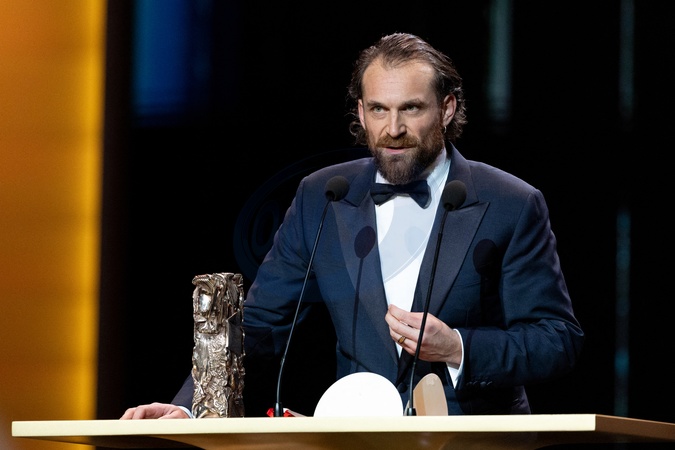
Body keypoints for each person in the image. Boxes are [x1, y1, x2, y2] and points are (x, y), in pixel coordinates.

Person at [121, 32, 584, 419]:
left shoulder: (510, 203)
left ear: (446, 109)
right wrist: (191, 407)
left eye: (411, 109)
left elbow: (557, 340)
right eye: (379, 109)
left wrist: (458, 347)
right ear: (361, 113)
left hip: (475, 445)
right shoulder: (323, 197)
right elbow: (260, 325)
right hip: (360, 441)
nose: (393, 128)